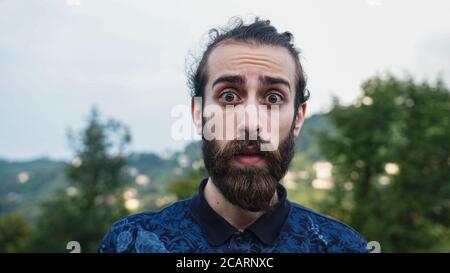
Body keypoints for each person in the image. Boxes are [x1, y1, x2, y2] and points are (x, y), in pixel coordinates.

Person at [98, 17, 368, 253]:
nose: (250, 123)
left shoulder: (342, 246)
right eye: (228, 96)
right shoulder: (130, 243)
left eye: (273, 98)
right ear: (198, 113)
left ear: (298, 117)